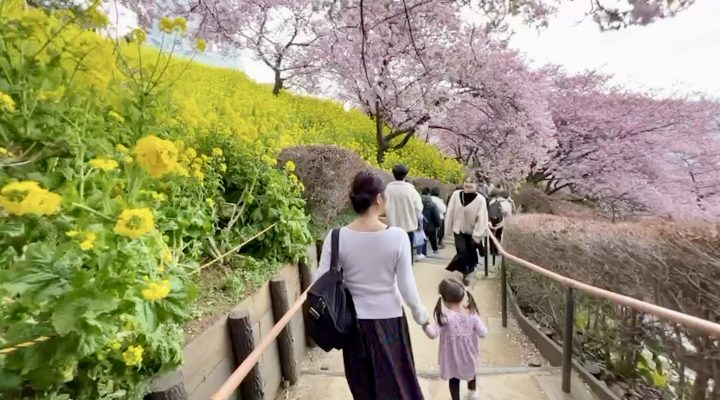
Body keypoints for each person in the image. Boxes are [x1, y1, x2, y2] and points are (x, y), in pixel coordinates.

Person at [315, 170, 430, 399]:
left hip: (353, 325)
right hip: (389, 322)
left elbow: (319, 283)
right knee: (398, 385)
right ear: (379, 199)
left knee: (364, 389)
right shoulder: (397, 237)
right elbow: (407, 287)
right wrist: (423, 319)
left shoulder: (336, 237)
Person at [423, 278, 488, 400]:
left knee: (454, 380)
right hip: (469, 356)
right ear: (463, 295)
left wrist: (424, 323)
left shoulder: (445, 318)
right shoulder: (472, 315)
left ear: (443, 299)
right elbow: (483, 333)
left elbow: (432, 334)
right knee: (471, 373)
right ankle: (473, 393)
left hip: (452, 359)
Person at [444, 176, 489, 286]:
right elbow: (450, 211)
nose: (468, 184)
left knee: (471, 254)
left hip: (472, 231)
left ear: (476, 185)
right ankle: (465, 273)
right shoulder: (456, 195)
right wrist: (448, 228)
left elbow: (482, 217)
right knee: (462, 251)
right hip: (458, 229)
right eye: (466, 181)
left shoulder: (480, 199)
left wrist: (477, 234)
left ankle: (470, 268)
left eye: (471, 182)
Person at [385, 164, 423, 261]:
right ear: (405, 175)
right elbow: (419, 208)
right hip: (408, 228)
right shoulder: (411, 191)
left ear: (393, 174)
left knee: (391, 255)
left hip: (390, 227)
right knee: (406, 255)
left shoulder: (387, 190)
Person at [487, 189, 513, 259]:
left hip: (492, 220)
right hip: (500, 221)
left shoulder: (492, 201)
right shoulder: (506, 203)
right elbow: (508, 215)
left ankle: (493, 250)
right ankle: (496, 250)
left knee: (492, 236)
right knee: (498, 235)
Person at [421, 188, 442, 256]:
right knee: (433, 238)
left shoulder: (418, 202)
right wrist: (438, 224)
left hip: (421, 224)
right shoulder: (432, 204)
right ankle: (435, 250)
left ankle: (423, 252)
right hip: (431, 226)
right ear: (429, 194)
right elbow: (436, 215)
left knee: (422, 239)